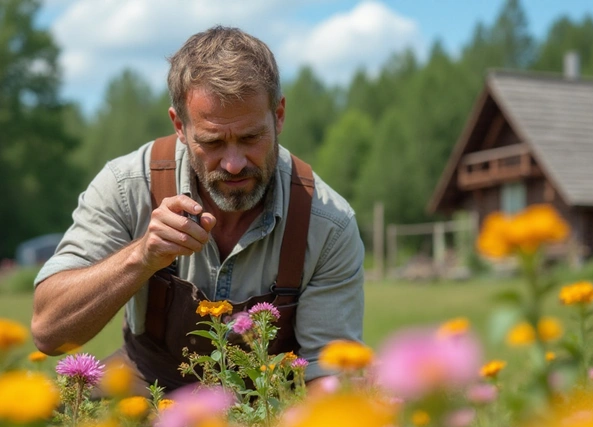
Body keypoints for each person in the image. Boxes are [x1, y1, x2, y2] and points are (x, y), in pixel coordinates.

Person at [31, 26, 364, 396]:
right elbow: (48, 332)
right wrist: (142, 257)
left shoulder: (327, 221)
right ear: (180, 126)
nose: (234, 163)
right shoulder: (127, 186)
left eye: (251, 137)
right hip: (147, 384)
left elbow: (328, 374)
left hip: (268, 405)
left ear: (279, 115)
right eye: (213, 142)